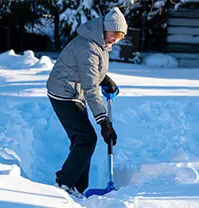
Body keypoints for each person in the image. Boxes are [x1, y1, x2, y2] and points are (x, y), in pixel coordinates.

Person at [46, 7, 128, 197]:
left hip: (72, 90)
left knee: (81, 138)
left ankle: (77, 187)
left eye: (120, 35)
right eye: (114, 33)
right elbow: (90, 87)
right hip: (64, 93)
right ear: (105, 28)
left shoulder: (99, 42)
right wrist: (103, 121)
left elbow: (92, 71)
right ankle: (65, 182)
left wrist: (105, 80)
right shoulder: (89, 47)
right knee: (86, 138)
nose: (115, 38)